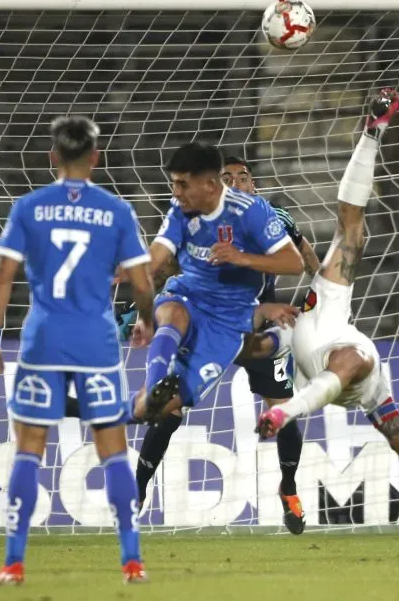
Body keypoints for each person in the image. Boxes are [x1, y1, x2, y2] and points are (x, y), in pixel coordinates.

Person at [251, 88, 399, 525]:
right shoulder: (376, 388)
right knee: (353, 232)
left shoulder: (358, 377)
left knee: (335, 358)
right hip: (329, 315)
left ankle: (284, 412)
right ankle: (374, 131)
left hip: (306, 351)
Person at [0, 116, 155, 586]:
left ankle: (13, 564)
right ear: (95, 157)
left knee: (28, 451)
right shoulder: (117, 211)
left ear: (52, 157)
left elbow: (3, 278)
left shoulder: (29, 207)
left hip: (42, 342)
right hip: (96, 345)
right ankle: (132, 562)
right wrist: (147, 320)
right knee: (114, 453)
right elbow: (141, 282)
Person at [133, 156, 318, 535]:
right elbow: (169, 264)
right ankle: (138, 487)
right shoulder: (198, 216)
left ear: (254, 186)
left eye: (242, 177)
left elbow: (308, 260)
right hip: (213, 323)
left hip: (259, 331)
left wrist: (321, 303)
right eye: (226, 177)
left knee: (283, 412)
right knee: (170, 407)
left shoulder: (271, 219)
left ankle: (289, 488)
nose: (234, 182)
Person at [129, 142, 305, 425]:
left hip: (228, 320)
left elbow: (295, 263)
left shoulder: (253, 211)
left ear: (210, 185)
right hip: (188, 294)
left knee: (151, 411)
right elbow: (155, 258)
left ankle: (132, 406)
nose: (176, 193)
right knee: (174, 312)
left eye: (183, 184)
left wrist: (241, 258)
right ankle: (154, 388)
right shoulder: (180, 209)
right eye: (173, 183)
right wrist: (131, 271)